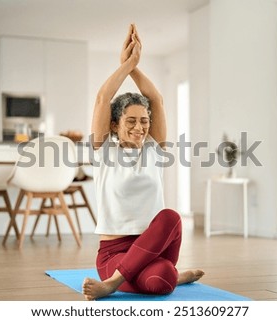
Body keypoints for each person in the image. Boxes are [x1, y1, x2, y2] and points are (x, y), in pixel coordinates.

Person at [82, 24, 204, 301]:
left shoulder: (153, 149)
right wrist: (126, 65)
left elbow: (157, 100)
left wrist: (135, 66)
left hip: (154, 249)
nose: (140, 128)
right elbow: (103, 98)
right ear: (114, 124)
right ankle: (122, 279)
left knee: (169, 223)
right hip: (114, 253)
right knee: (163, 279)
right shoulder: (103, 151)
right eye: (131, 121)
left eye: (144, 121)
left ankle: (121, 282)